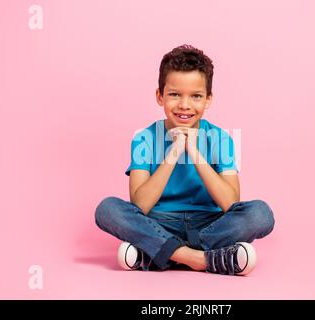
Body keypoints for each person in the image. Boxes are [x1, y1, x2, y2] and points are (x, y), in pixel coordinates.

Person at [95, 44, 275, 276]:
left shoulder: (220, 138)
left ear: (208, 99)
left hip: (209, 224)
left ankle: (156, 253)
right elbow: (140, 205)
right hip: (159, 222)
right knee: (107, 209)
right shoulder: (145, 139)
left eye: (196, 96)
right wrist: (173, 152)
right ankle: (202, 258)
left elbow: (231, 203)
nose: (184, 105)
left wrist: (194, 151)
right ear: (160, 96)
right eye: (174, 94)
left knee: (260, 214)